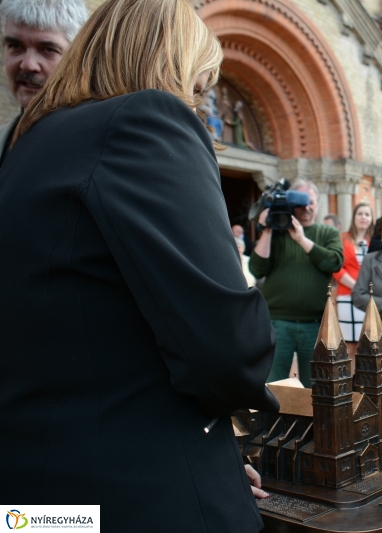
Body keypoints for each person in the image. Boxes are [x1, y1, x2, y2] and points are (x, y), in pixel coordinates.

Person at [0, 1, 279, 531]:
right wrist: (189, 459)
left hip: (32, 506)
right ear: (175, 71)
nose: (200, 107)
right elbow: (228, 348)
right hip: (132, 500)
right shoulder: (144, 118)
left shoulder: (24, 148)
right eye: (199, 89)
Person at [249, 179, 344, 388]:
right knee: (274, 385)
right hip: (277, 323)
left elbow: (335, 262)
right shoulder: (276, 234)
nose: (307, 207)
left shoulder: (327, 233)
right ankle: (274, 422)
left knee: (316, 386)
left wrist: (301, 239)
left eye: (311, 202)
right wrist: (267, 229)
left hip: (314, 324)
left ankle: (312, 423)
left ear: (318, 204)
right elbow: (256, 269)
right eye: (301, 203)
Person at [0, 0, 88, 164]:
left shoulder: (90, 149)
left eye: (48, 50)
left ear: (76, 57)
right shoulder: (4, 140)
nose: (27, 64)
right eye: (15, 46)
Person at [333, 202, 374, 348]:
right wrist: (357, 287)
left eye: (367, 214)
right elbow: (336, 267)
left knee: (367, 345)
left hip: (369, 297)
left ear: (371, 219)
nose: (363, 217)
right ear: (354, 217)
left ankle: (363, 372)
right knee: (349, 345)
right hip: (347, 296)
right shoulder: (342, 239)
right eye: (360, 214)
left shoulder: (374, 242)